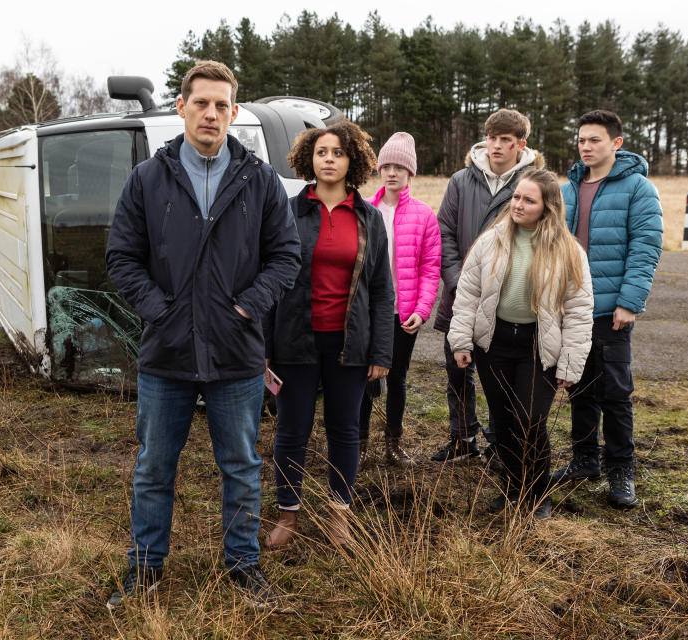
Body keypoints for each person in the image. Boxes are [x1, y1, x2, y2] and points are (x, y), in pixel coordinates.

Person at [104, 60, 301, 609]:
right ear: (181, 108)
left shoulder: (258, 180)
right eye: (201, 104)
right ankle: (145, 570)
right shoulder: (147, 179)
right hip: (165, 351)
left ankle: (243, 567)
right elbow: (122, 257)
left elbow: (285, 256)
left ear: (234, 113)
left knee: (240, 467)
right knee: (152, 468)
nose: (211, 114)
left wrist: (248, 307)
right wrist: (158, 311)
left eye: (222, 106)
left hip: (237, 353)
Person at [262, 120, 393, 550]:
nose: (329, 159)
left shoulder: (370, 218)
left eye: (338, 152)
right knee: (291, 429)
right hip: (295, 340)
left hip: (350, 344)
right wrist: (262, 347)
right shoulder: (288, 211)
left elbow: (380, 289)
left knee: (344, 430)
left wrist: (382, 352)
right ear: (309, 160)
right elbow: (269, 279)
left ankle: (339, 516)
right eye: (322, 152)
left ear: (352, 160)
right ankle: (288, 513)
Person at [447, 168, 594, 519]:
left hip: (537, 347)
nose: (518, 204)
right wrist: (461, 340)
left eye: (529, 200)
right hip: (494, 344)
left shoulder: (568, 251)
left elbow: (579, 309)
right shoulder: (491, 240)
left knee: (529, 420)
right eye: (516, 197)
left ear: (547, 207)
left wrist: (570, 365)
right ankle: (513, 489)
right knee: (501, 419)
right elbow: (468, 294)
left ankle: (537, 492)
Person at [550, 110, 663, 508]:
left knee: (615, 392)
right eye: (581, 139)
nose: (585, 146)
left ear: (615, 143)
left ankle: (621, 469)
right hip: (572, 308)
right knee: (578, 385)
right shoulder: (567, 190)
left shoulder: (638, 188)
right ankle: (584, 460)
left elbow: (645, 248)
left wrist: (630, 302)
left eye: (594, 140)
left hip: (613, 307)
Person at [432, 109, 543, 464]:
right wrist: (455, 279)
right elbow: (444, 232)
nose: (496, 145)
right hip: (460, 295)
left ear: (519, 144)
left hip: (507, 301)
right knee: (457, 368)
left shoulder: (533, 184)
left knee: (502, 377)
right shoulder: (461, 181)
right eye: (492, 138)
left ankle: (500, 443)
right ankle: (462, 437)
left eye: (505, 140)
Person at [357, 132, 441, 466]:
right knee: (363, 376)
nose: (392, 172)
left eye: (399, 167)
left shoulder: (424, 215)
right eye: (386, 166)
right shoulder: (363, 210)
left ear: (411, 173)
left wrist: (422, 309)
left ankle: (393, 443)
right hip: (367, 312)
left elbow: (430, 268)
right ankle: (359, 443)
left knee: (397, 376)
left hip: (403, 314)